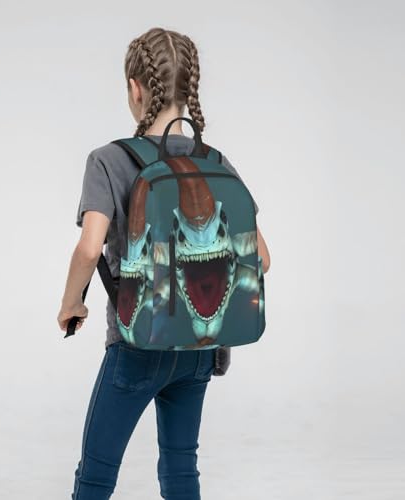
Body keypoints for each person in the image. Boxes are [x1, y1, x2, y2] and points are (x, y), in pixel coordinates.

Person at [57, 27, 271, 500]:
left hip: (135, 347)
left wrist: (72, 304)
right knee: (180, 470)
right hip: (199, 351)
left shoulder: (108, 161)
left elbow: (89, 250)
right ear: (190, 89)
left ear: (135, 88)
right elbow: (263, 258)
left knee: (95, 476)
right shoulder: (215, 161)